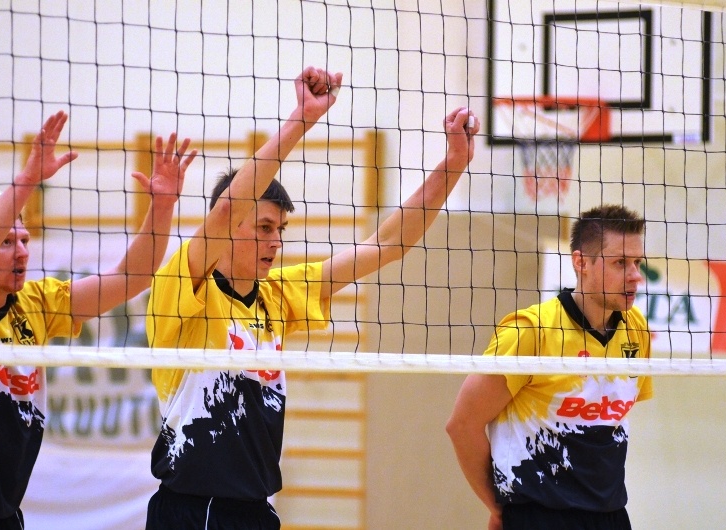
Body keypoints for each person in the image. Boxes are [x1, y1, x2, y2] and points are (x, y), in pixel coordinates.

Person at [145, 65, 480, 530]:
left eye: (280, 230)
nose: (275, 241)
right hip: (194, 508)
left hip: (256, 510)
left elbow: (389, 244)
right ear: (230, 227)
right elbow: (229, 207)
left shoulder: (278, 294)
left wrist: (454, 163)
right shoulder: (184, 284)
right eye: (264, 228)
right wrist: (302, 119)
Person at [0, 110, 197, 529]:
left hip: (2, 510)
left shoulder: (37, 303)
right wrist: (28, 179)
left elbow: (131, 278)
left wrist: (162, 206)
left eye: (25, 239)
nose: (22, 251)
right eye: (5, 242)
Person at [446, 204, 654, 530]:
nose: (635, 276)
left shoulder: (636, 328)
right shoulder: (530, 331)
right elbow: (462, 425)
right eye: (620, 263)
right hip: (539, 515)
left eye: (637, 263)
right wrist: (498, 507)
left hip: (611, 515)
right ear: (581, 262)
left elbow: (609, 420)